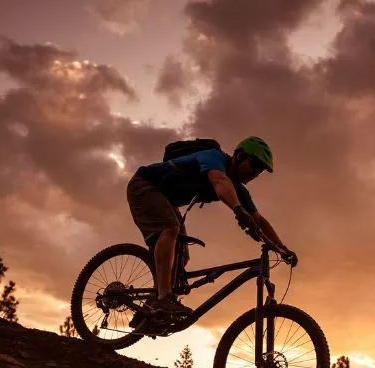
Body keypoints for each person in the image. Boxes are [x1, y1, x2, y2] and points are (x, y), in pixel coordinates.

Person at [126, 136, 297, 324]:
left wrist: (283, 249)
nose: (256, 173)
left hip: (166, 200)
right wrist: (238, 210)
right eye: (255, 165)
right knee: (170, 227)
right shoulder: (214, 157)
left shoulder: (239, 189)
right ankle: (164, 298)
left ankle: (150, 310)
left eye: (260, 171)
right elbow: (218, 180)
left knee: (182, 256)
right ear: (239, 156)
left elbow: (259, 220)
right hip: (144, 185)